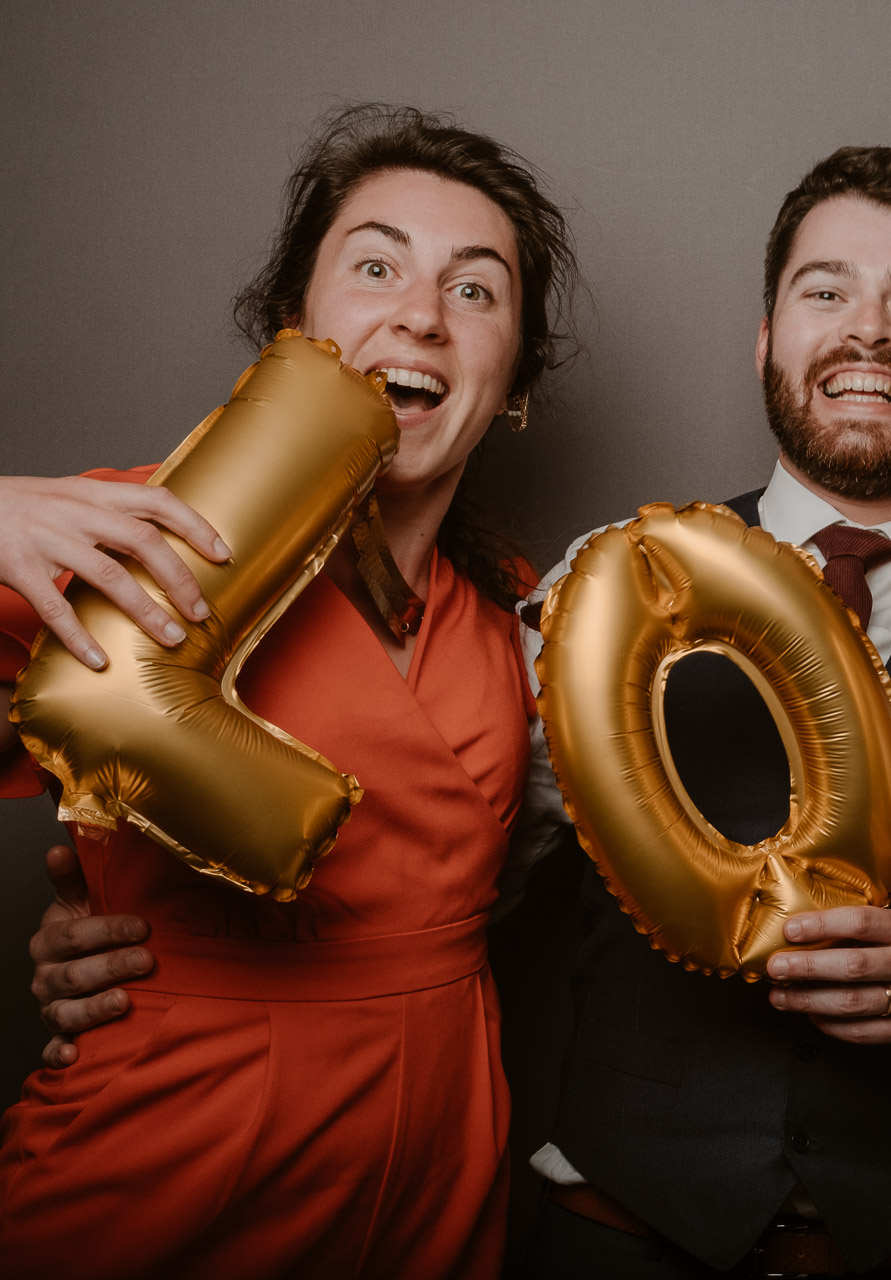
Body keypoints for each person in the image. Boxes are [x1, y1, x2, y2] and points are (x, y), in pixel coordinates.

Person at [0, 104, 577, 1276]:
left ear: (512, 379)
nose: (421, 313)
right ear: (292, 327)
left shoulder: (518, 606)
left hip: (435, 1187)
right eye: (375, 266)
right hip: (168, 1163)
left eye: (476, 290)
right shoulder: (135, 534)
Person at [511, 145, 891, 1278]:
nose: (868, 330)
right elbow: (456, 873)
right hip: (616, 1238)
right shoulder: (606, 586)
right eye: (825, 290)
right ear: (765, 335)